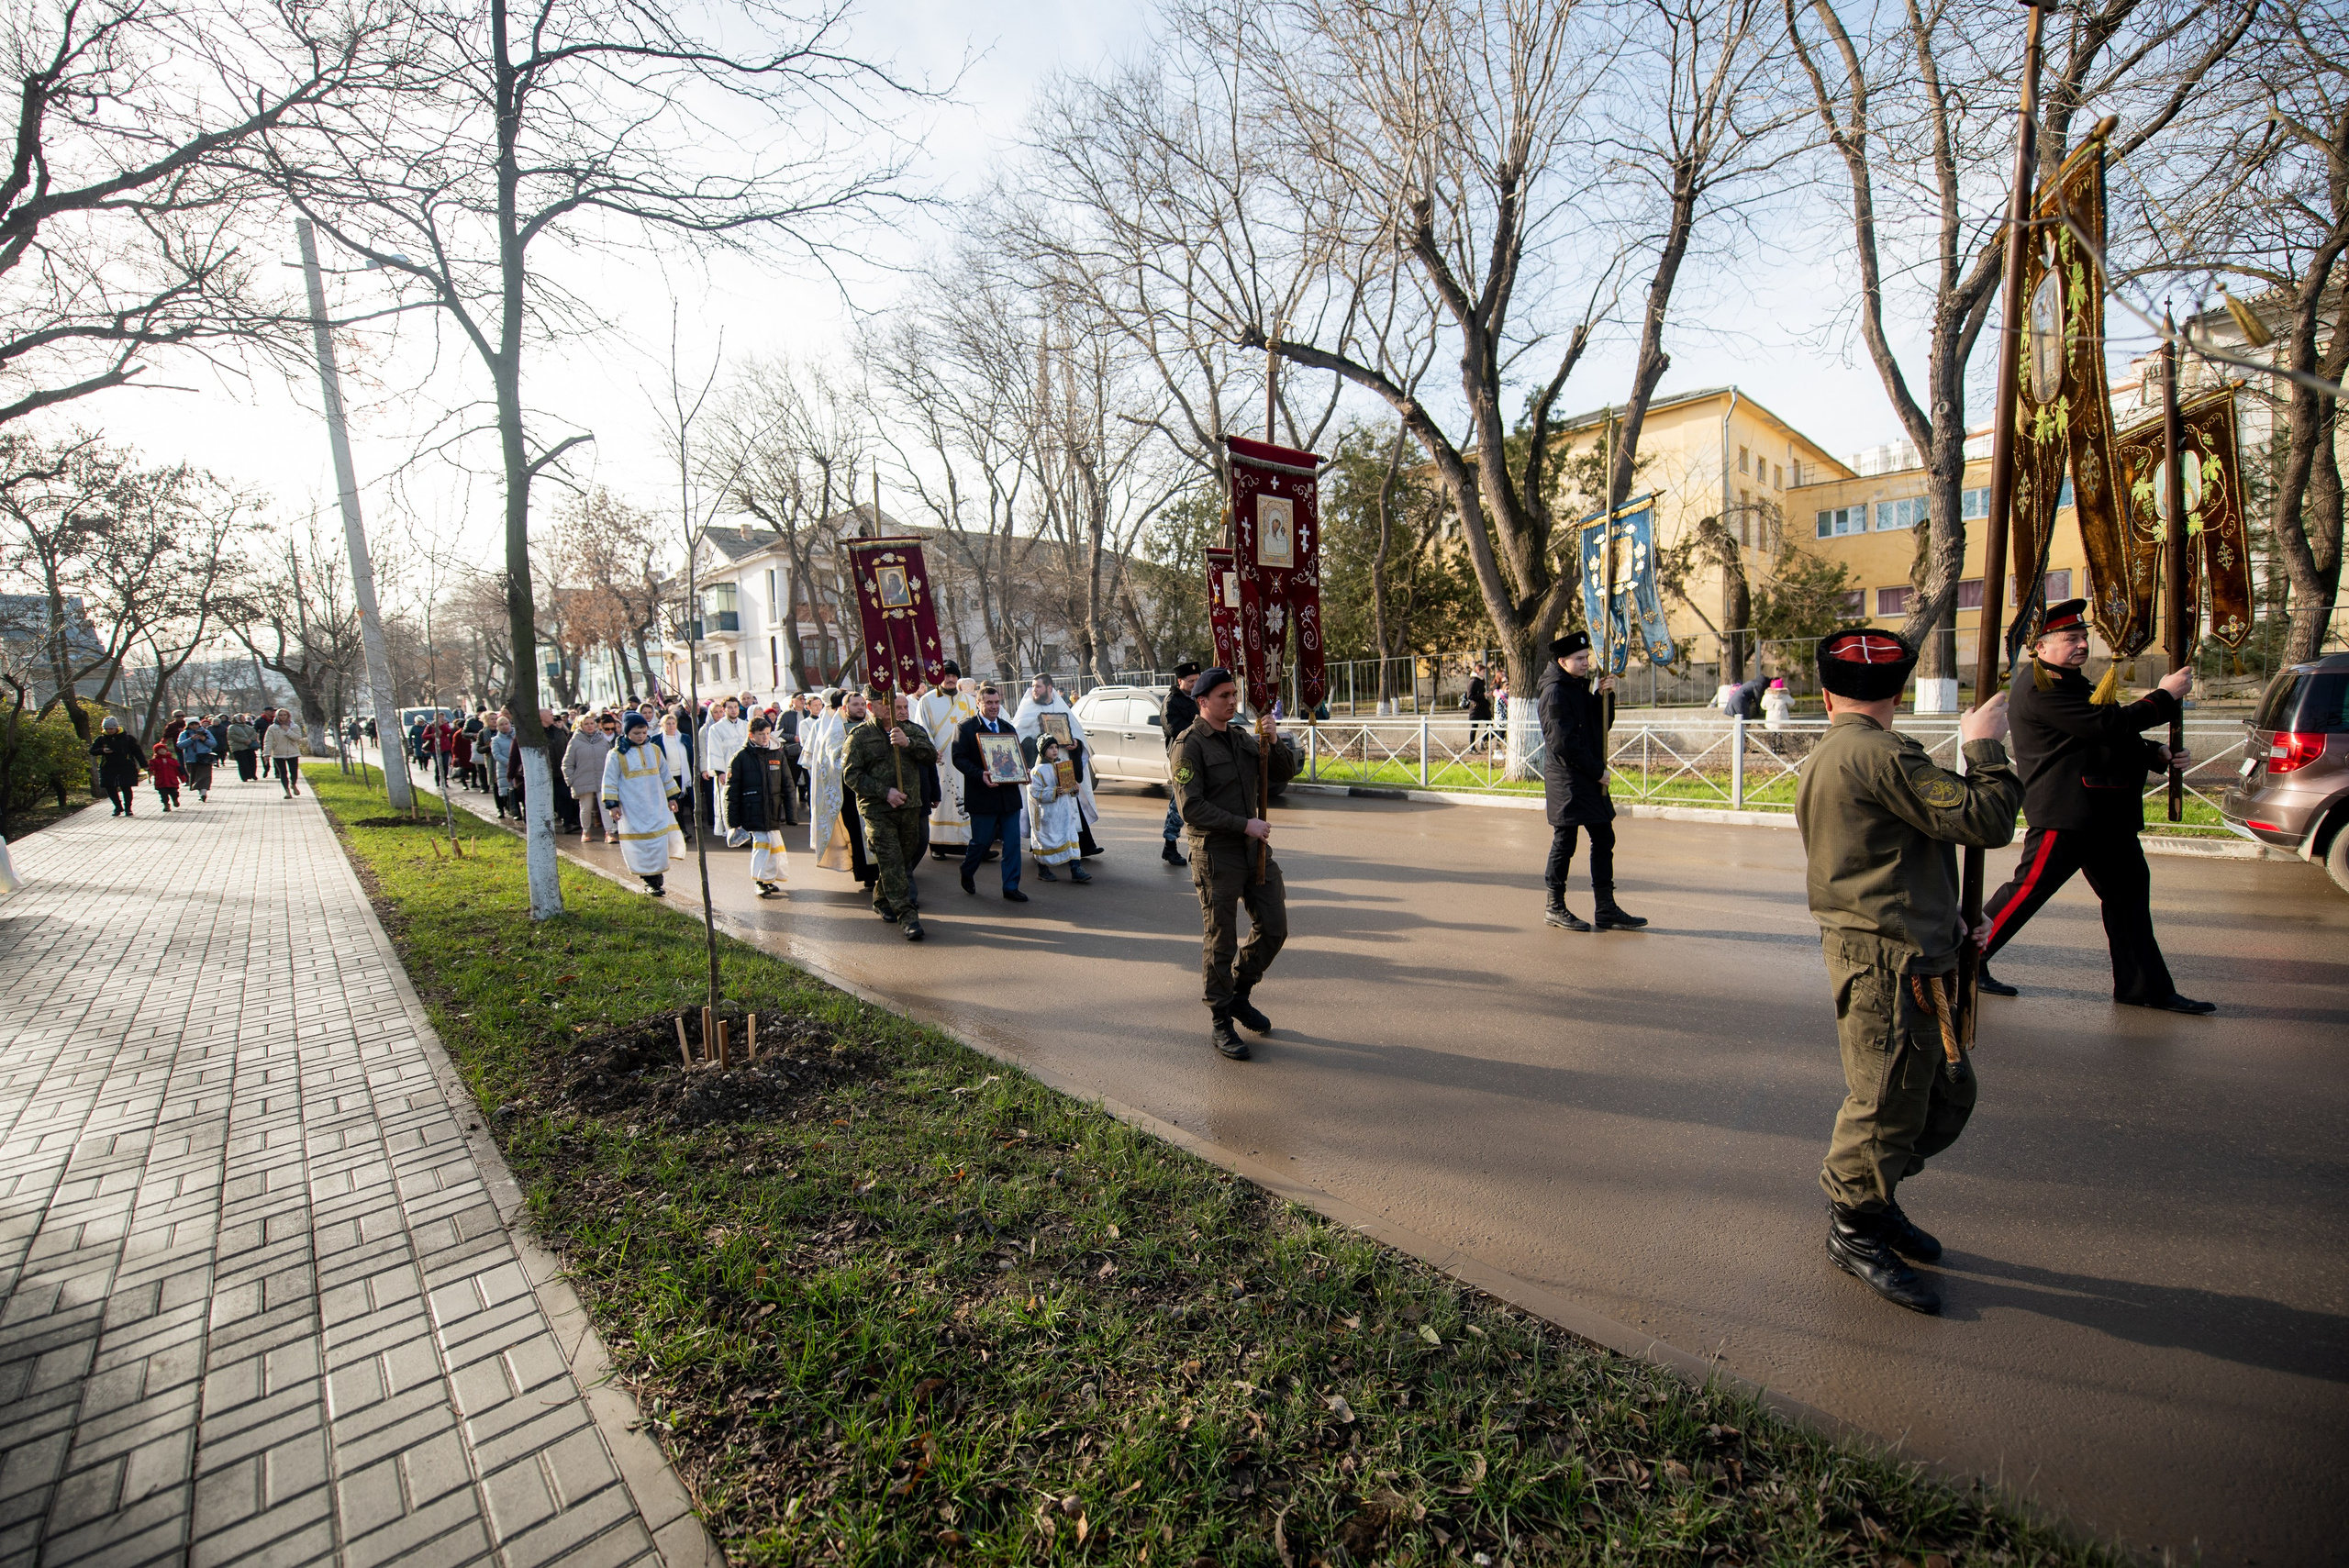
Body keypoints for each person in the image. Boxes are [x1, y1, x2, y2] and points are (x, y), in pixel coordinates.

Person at [1795, 626, 2021, 1315]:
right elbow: (1985, 818)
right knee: (1888, 1100)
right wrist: (1984, 742)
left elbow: (1883, 853)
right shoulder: (1879, 753)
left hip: (1904, 943)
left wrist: (1946, 910)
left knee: (1938, 1094)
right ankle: (1855, 1225)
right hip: (1888, 959)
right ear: (1897, 693)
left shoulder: (1838, 748)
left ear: (1825, 692)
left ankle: (1874, 1193)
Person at [1975, 599, 2210, 1012]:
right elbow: (2105, 725)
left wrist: (2154, 753)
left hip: (2105, 813)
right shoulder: (2038, 686)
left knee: (2129, 900)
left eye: (2083, 637)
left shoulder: (2072, 683)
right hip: (2069, 813)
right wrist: (2165, 696)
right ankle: (1962, 961)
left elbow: (2100, 737)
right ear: (2041, 647)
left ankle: (2144, 987)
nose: (2081, 644)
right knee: (2026, 891)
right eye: (2070, 639)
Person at [1170, 668, 1296, 1061]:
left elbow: (1282, 774)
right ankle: (1221, 1019)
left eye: (1235, 693)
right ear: (1203, 701)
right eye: (1224, 695)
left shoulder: (1242, 736)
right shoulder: (1188, 746)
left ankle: (1240, 992)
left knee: (1274, 926)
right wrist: (1246, 824)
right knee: (1220, 938)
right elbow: (1191, 807)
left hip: (1253, 850)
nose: (1233, 700)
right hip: (1216, 854)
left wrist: (1274, 742)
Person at [1538, 633, 1645, 932]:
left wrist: (1604, 697)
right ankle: (1554, 906)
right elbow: (1563, 743)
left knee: (1604, 837)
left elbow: (1599, 728)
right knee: (1565, 842)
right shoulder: (1555, 692)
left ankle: (1606, 908)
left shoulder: (1575, 687)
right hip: (1568, 780)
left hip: (1586, 776)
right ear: (1563, 661)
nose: (1587, 663)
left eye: (1587, 657)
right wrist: (1597, 770)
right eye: (1580, 659)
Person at [844, 688, 936, 940]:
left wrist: (909, 743)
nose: (890, 707)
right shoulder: (860, 736)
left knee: (903, 858)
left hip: (910, 808)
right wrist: (885, 792)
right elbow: (852, 775)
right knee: (892, 860)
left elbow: (930, 755)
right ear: (871, 706)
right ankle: (908, 917)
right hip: (878, 810)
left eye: (891, 702)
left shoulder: (911, 729)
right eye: (883, 703)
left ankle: (881, 898)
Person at [952, 683, 1028, 902]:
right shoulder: (965, 728)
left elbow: (1016, 758)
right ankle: (967, 870)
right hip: (983, 796)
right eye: (989, 703)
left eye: (997, 702)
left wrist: (1024, 770)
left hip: (1009, 797)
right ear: (979, 703)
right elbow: (959, 758)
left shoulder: (1007, 728)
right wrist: (980, 774)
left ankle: (1011, 886)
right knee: (981, 842)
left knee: (1012, 843)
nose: (994, 707)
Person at [1013, 674, 1103, 857]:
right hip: (1041, 768)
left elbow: (1075, 735)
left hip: (1063, 765)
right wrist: (1040, 743)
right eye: (1033, 686)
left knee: (1070, 802)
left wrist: (1074, 744)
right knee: (1045, 805)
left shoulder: (1061, 707)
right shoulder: (1027, 709)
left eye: (1038, 686)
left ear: (1049, 688)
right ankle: (1043, 847)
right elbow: (1018, 739)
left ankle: (1083, 846)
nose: (1034, 690)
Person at [602, 712, 679, 895]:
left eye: (644, 732)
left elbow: (665, 775)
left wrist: (672, 797)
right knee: (642, 845)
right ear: (627, 732)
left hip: (656, 804)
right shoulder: (616, 755)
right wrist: (613, 805)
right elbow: (610, 780)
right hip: (633, 807)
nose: (641, 736)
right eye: (637, 733)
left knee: (658, 842)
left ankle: (658, 877)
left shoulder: (655, 750)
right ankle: (649, 881)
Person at [808, 689, 875, 893]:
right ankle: (866, 876)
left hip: (874, 790)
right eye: (855, 705)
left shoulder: (872, 726)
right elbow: (833, 760)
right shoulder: (836, 730)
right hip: (849, 793)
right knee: (858, 833)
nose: (860, 708)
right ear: (845, 708)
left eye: (862, 704)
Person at [913, 662, 976, 860]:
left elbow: (976, 729)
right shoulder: (927, 700)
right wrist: (931, 750)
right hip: (939, 760)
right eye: (946, 675)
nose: (950, 679)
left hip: (964, 760)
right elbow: (921, 728)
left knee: (966, 799)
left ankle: (969, 843)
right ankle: (937, 844)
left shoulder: (969, 701)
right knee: (941, 798)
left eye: (953, 676)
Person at [727, 715, 794, 898]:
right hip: (752, 809)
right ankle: (759, 881)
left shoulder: (777, 754)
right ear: (751, 735)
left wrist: (791, 813)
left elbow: (787, 784)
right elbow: (731, 792)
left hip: (772, 809)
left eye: (767, 733)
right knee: (762, 844)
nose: (765, 738)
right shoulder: (740, 757)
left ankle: (769, 879)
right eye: (761, 734)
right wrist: (733, 822)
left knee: (774, 845)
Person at [1028, 736, 1091, 883]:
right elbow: (1034, 792)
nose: (1055, 750)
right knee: (1048, 840)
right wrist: (1054, 791)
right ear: (1043, 751)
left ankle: (1076, 869)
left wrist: (1074, 789)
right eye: (1051, 748)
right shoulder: (1037, 771)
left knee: (1070, 837)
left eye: (1056, 747)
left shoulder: (1063, 766)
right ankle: (1043, 869)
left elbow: (1070, 787)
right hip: (1049, 814)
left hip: (1065, 811)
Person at [1160, 662, 1201, 865]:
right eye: (1190, 681)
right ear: (1180, 681)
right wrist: (1199, 727)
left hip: (1202, 753)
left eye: (1197, 680)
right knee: (1179, 799)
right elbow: (1174, 728)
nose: (1195, 684)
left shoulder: (1200, 697)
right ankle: (1170, 844)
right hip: (1181, 756)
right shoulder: (1171, 701)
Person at [700, 698, 749, 845]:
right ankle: (732, 832)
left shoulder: (746, 725)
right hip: (727, 771)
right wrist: (720, 771)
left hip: (746, 770)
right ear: (724, 709)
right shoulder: (716, 728)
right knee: (729, 801)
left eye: (735, 707)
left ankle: (748, 831)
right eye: (730, 707)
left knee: (746, 800)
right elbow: (714, 750)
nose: (733, 710)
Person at [565, 711, 618, 842]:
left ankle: (609, 832)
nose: (589, 726)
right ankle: (586, 831)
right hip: (582, 780)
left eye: (591, 724)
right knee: (586, 808)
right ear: (580, 726)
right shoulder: (575, 742)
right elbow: (567, 763)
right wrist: (570, 780)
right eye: (586, 724)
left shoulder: (602, 740)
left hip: (602, 779)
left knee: (605, 806)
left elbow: (610, 759)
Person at [89, 717, 144, 816]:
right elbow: (92, 751)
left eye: (111, 728)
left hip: (126, 766)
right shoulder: (101, 739)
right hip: (108, 767)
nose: (109, 731)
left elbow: (137, 752)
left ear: (116, 727)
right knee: (110, 787)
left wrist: (145, 765)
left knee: (126, 787)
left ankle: (128, 808)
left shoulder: (128, 738)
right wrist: (102, 750)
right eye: (106, 729)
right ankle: (118, 807)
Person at [262, 709, 306, 796]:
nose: (282, 717)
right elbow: (268, 741)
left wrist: (288, 731)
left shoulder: (294, 727)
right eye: (280, 715)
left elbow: (297, 738)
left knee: (294, 772)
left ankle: (293, 784)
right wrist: (266, 753)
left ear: (288, 716)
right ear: (277, 716)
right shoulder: (272, 728)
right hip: (278, 753)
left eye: (284, 715)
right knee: (283, 772)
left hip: (292, 752)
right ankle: (287, 791)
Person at [176, 718, 217, 802]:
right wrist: (191, 739)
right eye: (192, 725)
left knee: (205, 776)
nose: (194, 726)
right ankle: (200, 792)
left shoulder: (206, 732)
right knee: (195, 777)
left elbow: (213, 744)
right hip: (191, 759)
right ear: (188, 726)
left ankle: (203, 792)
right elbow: (180, 745)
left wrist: (204, 739)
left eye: (196, 724)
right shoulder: (184, 734)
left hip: (205, 758)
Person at [490, 716, 516, 819]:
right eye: (501, 725)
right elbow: (496, 754)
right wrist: (510, 763)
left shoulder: (517, 736)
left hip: (518, 767)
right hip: (504, 768)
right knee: (507, 790)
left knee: (518, 789)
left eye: (506, 724)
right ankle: (507, 809)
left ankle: (518, 810)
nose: (504, 726)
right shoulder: (496, 740)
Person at [1465, 662, 1493, 750]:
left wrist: (1486, 695)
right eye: (1483, 671)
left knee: (1490, 725)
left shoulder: (1480, 680)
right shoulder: (1473, 681)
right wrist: (1483, 695)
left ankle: (1484, 741)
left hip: (1483, 707)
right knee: (1474, 727)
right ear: (1478, 671)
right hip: (1475, 708)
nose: (1484, 673)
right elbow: (1470, 696)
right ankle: (1471, 746)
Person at [228, 714, 261, 783]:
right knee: (243, 762)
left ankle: (253, 774)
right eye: (242, 717)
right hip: (239, 748)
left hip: (249, 747)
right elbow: (232, 736)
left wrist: (250, 740)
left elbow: (254, 733)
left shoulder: (248, 726)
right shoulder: (232, 727)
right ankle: (244, 776)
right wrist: (245, 740)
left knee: (252, 761)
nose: (243, 718)